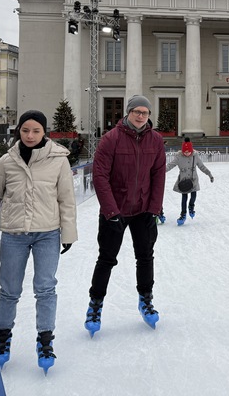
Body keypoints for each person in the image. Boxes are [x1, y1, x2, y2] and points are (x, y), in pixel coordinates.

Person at [0, 110, 77, 373]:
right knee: (9, 290)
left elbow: (66, 199)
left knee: (45, 288)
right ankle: (3, 338)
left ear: (44, 132)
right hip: (14, 234)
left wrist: (68, 233)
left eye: (36, 131)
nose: (30, 135)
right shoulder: (7, 161)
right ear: (19, 130)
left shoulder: (58, 160)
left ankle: (45, 339)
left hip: (47, 233)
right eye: (25, 130)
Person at [85, 95, 167, 336]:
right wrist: (110, 211)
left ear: (149, 115)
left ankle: (146, 299)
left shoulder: (156, 140)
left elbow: (158, 176)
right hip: (115, 211)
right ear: (128, 112)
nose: (141, 116)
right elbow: (100, 176)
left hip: (143, 210)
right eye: (136, 111)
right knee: (106, 259)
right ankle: (95, 304)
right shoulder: (111, 139)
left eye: (145, 112)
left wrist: (154, 208)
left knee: (145, 256)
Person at [173, 138, 214, 224]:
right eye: (185, 152)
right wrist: (160, 172)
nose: (187, 153)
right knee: (184, 198)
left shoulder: (195, 156)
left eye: (188, 152)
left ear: (191, 150)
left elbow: (202, 166)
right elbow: (170, 165)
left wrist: (209, 174)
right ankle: (183, 214)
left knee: (193, 196)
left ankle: (191, 207)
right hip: (183, 181)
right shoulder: (179, 157)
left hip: (193, 180)